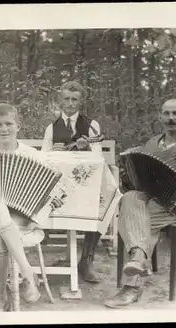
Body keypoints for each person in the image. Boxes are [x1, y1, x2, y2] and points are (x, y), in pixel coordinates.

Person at [0, 103, 64, 312]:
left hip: (23, 217)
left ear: (18, 126)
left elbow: (54, 186)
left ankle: (0, 298)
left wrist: (54, 198)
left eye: (9, 124)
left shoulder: (32, 155)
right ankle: (28, 274)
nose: (4, 129)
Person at [104, 99, 176, 308]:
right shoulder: (152, 144)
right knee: (130, 198)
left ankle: (132, 286)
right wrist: (129, 174)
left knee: (138, 219)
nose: (171, 119)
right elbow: (141, 180)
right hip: (152, 200)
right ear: (160, 117)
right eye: (167, 114)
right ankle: (140, 259)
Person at [41, 81, 104, 284]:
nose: (70, 103)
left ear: (80, 102)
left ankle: (86, 261)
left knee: (99, 205)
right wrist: (53, 153)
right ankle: (42, 251)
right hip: (58, 185)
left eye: (74, 99)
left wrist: (86, 149)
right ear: (60, 101)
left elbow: (98, 160)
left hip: (84, 184)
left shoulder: (92, 126)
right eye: (66, 99)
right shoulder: (51, 128)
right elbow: (42, 160)